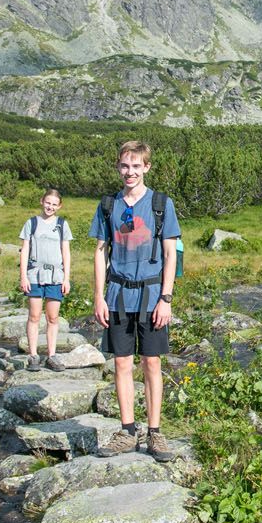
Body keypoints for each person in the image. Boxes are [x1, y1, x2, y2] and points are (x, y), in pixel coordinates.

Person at [90, 140, 180, 461]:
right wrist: (99, 297)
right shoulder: (108, 206)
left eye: (136, 166)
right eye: (125, 166)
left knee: (152, 363)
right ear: (118, 167)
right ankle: (127, 430)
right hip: (117, 296)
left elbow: (171, 254)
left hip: (153, 295)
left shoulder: (160, 204)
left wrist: (166, 298)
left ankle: (155, 433)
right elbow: (100, 253)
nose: (130, 172)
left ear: (146, 168)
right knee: (122, 363)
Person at [18, 189, 72, 371]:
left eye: (54, 204)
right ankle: (33, 356)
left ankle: (52, 355)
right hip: (34, 275)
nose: (50, 207)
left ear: (59, 206)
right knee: (34, 316)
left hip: (56, 277)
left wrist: (67, 278)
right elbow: (24, 250)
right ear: (42, 201)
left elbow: (66, 252)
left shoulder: (62, 224)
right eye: (48, 203)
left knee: (53, 317)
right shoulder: (31, 223)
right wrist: (23, 276)